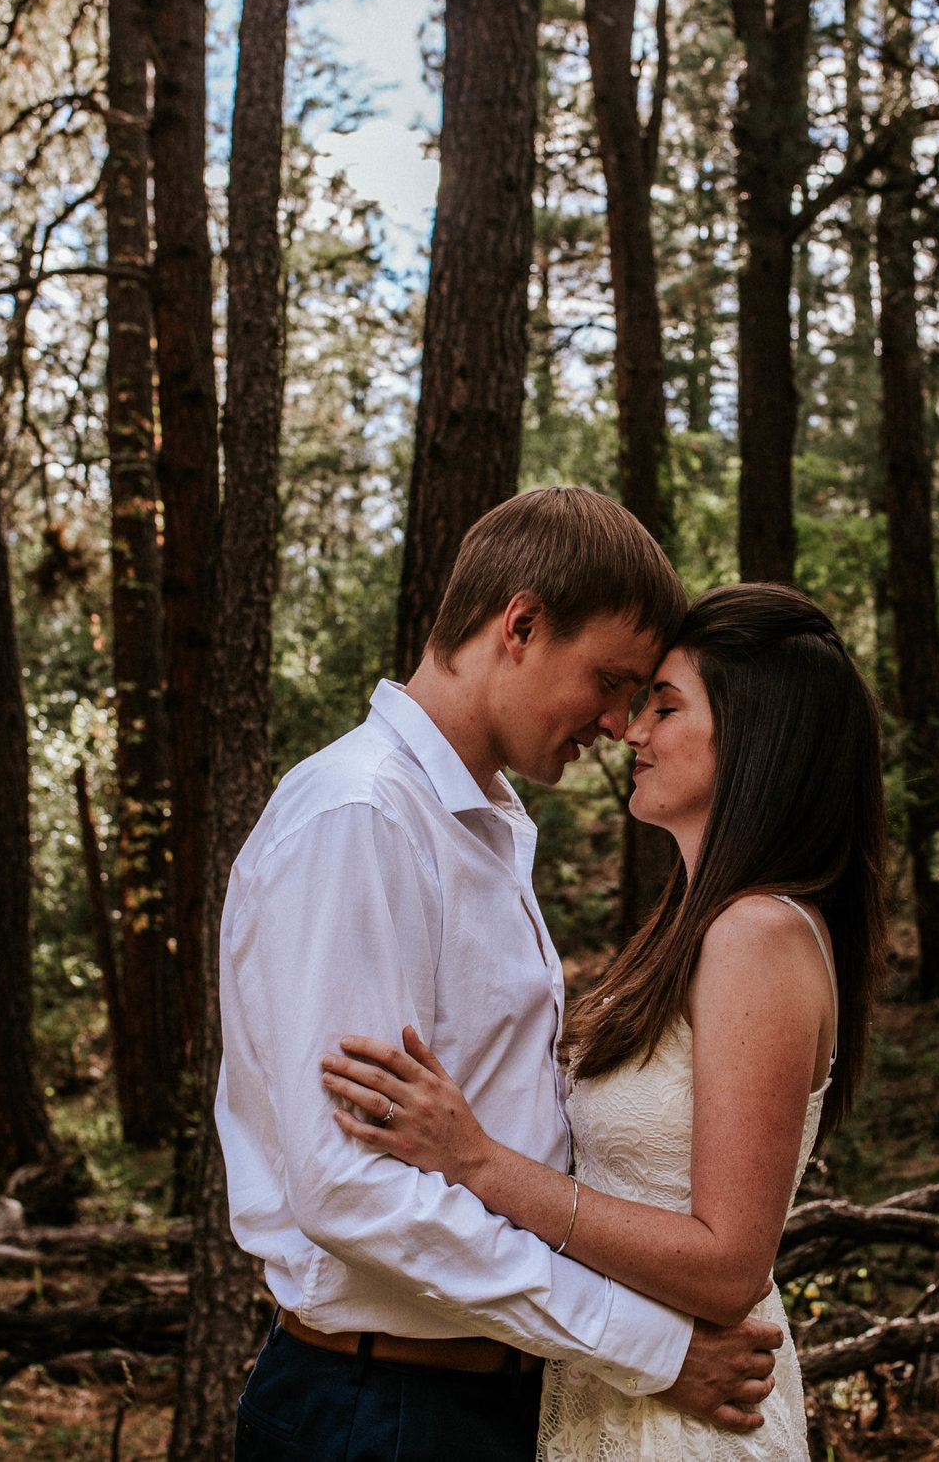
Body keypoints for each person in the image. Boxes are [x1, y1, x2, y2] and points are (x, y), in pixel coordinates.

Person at [217, 488, 786, 1462]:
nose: (616, 723)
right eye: (608, 680)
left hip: (472, 1402)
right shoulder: (360, 818)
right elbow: (350, 1187)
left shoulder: (480, 826)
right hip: (382, 1410)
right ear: (519, 624)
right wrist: (647, 1348)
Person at [323, 583, 889, 1461]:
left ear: (756, 737)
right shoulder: (698, 925)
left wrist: (477, 1160)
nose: (630, 731)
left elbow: (729, 1263)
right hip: (620, 1383)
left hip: (687, 1416)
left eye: (665, 706)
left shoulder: (759, 935)